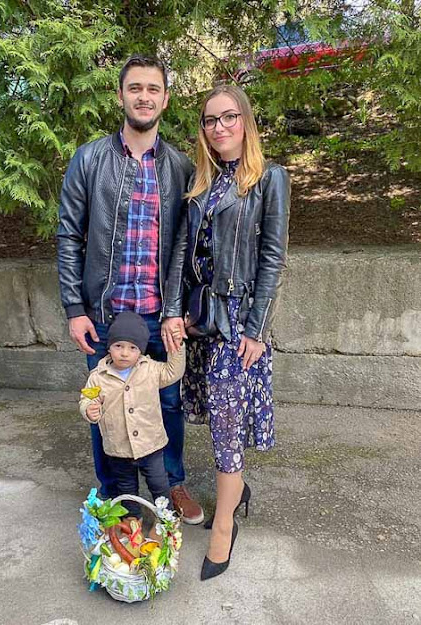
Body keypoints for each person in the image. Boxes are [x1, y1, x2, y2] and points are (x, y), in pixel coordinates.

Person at [57, 54, 203, 524]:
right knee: (104, 406)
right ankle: (112, 494)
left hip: (160, 316)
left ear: (165, 97)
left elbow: (184, 244)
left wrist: (177, 309)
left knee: (167, 402)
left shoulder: (179, 166)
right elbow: (69, 235)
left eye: (153, 89)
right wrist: (74, 307)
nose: (144, 96)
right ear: (120, 95)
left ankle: (172, 484)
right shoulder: (90, 159)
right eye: (135, 88)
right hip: (103, 315)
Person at [176, 84, 290, 579]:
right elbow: (184, 254)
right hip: (202, 319)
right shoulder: (201, 182)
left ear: (245, 120)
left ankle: (224, 527)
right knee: (215, 416)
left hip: (240, 323)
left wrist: (257, 328)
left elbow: (272, 258)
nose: (219, 127)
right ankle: (235, 493)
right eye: (209, 120)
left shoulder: (269, 179)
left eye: (228, 117)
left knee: (226, 423)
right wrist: (176, 312)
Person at [79, 312, 185, 521]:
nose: (125, 353)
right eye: (119, 346)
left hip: (150, 445)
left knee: (159, 484)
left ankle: (165, 520)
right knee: (126, 487)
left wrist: (177, 346)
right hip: (117, 447)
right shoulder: (98, 376)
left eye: (132, 348)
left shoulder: (150, 369)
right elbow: (86, 399)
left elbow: (173, 372)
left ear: (140, 350)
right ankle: (132, 520)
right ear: (109, 347)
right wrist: (88, 410)